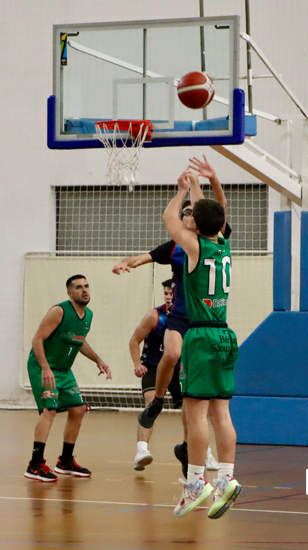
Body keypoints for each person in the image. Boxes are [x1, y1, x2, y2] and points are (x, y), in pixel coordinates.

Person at [113, 155, 226, 474]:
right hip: (182, 313)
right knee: (172, 354)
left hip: (206, 318)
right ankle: (158, 402)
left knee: (194, 400)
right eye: (186, 213)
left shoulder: (214, 238)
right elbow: (146, 256)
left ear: (199, 221)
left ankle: (193, 454)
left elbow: (216, 208)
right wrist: (127, 263)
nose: (188, 214)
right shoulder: (176, 247)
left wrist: (198, 185)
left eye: (192, 212)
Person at [163, 170, 241, 519]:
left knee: (194, 412)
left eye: (192, 213)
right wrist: (202, 183)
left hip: (201, 335)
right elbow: (215, 211)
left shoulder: (194, 246)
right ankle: (225, 479)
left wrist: (181, 192)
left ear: (196, 223)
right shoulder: (222, 243)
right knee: (221, 412)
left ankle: (196, 482)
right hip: (226, 334)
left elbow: (169, 219)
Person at [25, 274, 112, 482]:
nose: (84, 290)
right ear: (69, 292)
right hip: (43, 366)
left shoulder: (88, 315)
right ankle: (35, 464)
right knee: (50, 410)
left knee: (78, 409)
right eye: (78, 287)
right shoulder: (59, 311)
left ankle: (65, 461)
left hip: (64, 370)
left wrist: (98, 360)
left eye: (87, 286)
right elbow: (37, 340)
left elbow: (79, 342)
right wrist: (45, 368)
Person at [129, 279, 184, 470]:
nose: (169, 297)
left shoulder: (187, 317)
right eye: (166, 294)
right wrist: (137, 364)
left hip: (177, 369)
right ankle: (141, 451)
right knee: (151, 403)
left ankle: (201, 451)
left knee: (191, 408)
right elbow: (134, 340)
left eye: (172, 294)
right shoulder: (154, 316)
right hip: (152, 367)